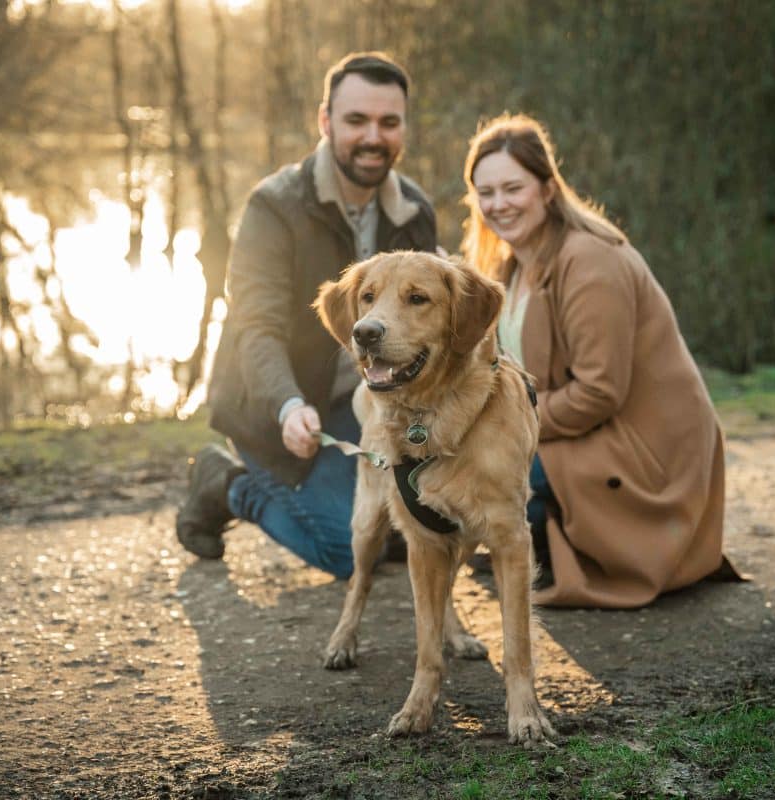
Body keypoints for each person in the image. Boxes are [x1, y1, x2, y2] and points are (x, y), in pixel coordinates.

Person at [176, 52, 437, 578]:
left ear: (404, 128)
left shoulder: (414, 212)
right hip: (275, 405)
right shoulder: (274, 207)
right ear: (325, 121)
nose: (373, 137)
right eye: (356, 120)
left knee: (412, 526)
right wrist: (287, 405)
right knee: (347, 550)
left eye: (388, 122)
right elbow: (256, 326)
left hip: (368, 401)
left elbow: (428, 330)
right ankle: (225, 485)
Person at [461, 113, 732, 608]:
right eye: (486, 193)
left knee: (482, 467)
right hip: (574, 429)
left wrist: (502, 429)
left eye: (513, 188)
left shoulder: (589, 259)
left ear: (547, 189)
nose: (498, 204)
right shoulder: (509, 266)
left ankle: (556, 544)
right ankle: (533, 538)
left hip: (641, 447)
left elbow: (598, 392)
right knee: (460, 462)